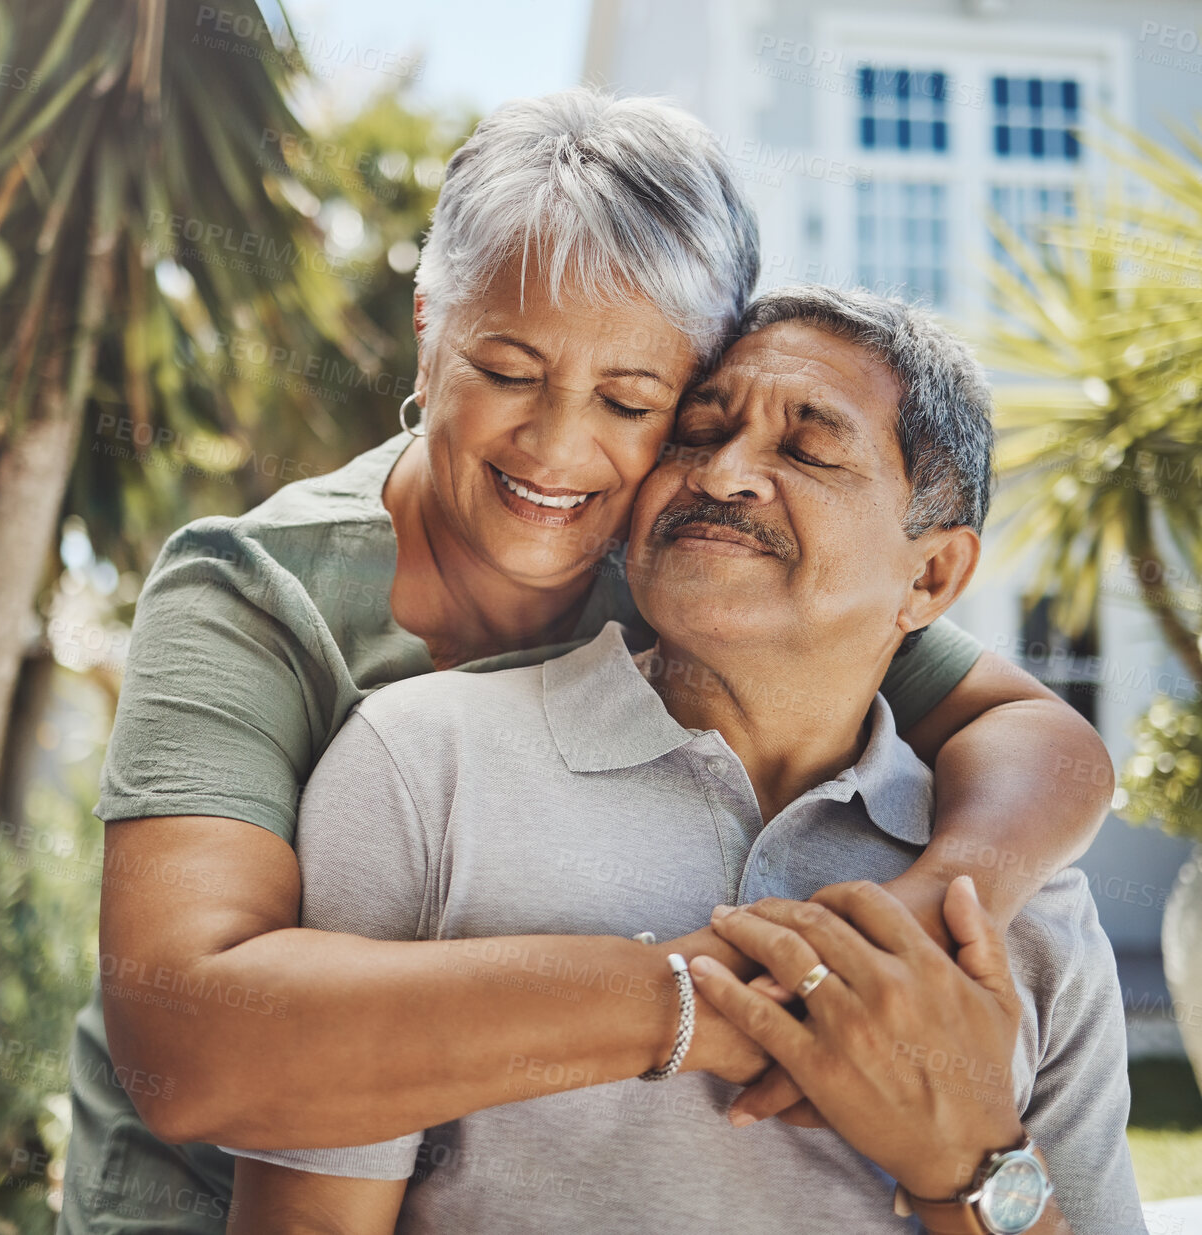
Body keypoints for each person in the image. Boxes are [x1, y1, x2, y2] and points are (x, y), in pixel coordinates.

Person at [61, 92, 1116, 1235]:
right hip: (193, 1193)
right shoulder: (260, 600)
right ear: (427, 324)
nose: (561, 448)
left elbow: (1041, 740)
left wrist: (907, 932)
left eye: (633, 400)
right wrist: (725, 1000)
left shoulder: (695, 567)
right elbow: (188, 1041)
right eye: (509, 370)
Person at [223, 286, 1145, 1235]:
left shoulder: (1022, 906)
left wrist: (968, 1164)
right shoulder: (421, 764)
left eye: (807, 449)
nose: (723, 473)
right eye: (695, 435)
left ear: (930, 576)